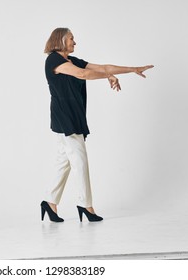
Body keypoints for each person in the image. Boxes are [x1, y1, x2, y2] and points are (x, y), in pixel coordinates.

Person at [41, 27, 153, 222]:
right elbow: (82, 75)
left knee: (64, 162)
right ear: (60, 40)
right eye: (71, 39)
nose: (74, 42)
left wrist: (132, 69)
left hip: (73, 116)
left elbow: (103, 68)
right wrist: (106, 77)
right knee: (79, 161)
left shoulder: (72, 60)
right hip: (65, 118)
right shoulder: (54, 60)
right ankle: (86, 206)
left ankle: (49, 203)